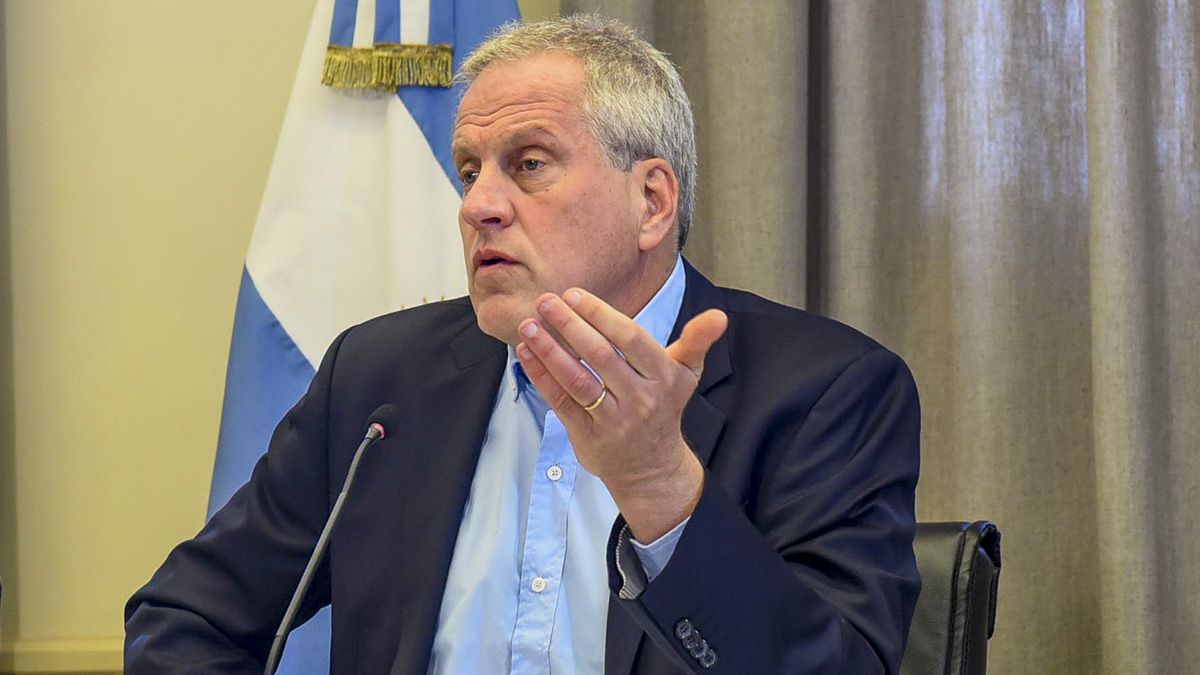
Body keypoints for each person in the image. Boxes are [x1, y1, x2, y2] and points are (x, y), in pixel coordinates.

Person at [126, 15, 920, 675]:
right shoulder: (378, 380)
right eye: (469, 171)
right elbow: (183, 617)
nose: (478, 206)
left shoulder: (827, 392)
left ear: (651, 201)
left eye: (528, 164)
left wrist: (660, 487)